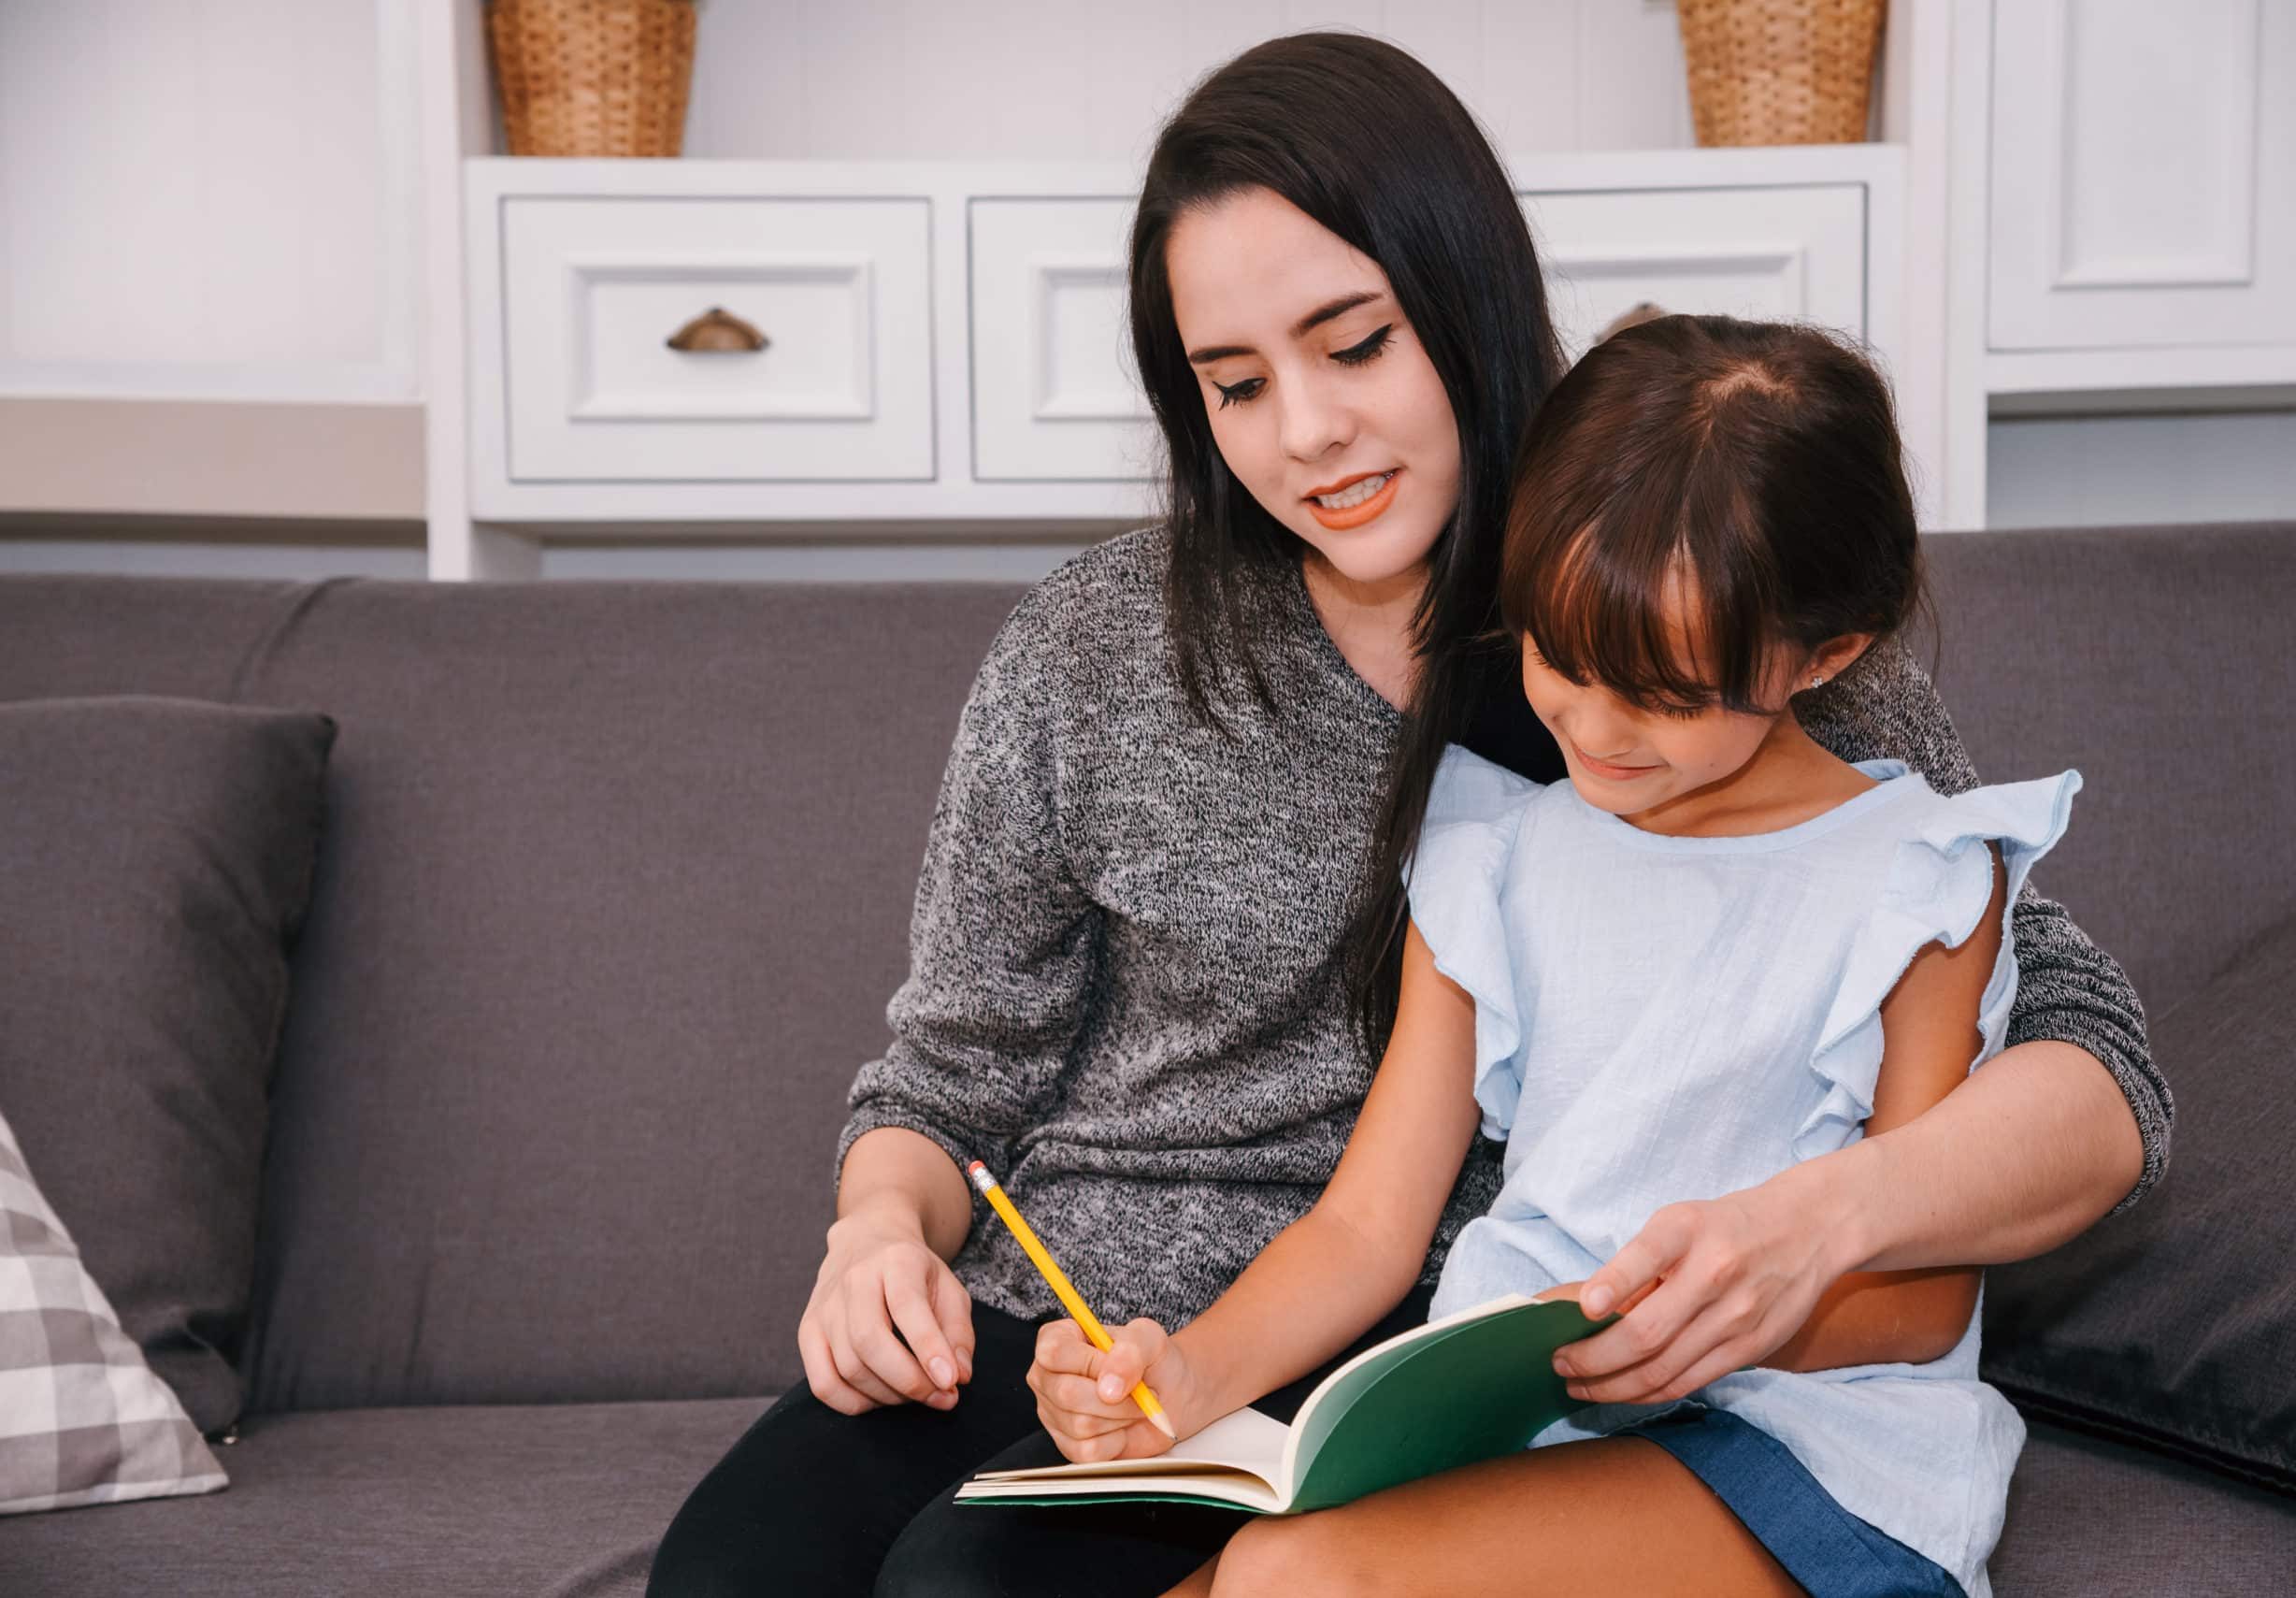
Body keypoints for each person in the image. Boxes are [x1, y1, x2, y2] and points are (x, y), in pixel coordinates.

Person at [646, 35, 2168, 1598]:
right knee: (725, 1583)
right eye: (1235, 383)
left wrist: (1817, 1228)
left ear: (1462, 301)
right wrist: (875, 1233)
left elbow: (2083, 1062)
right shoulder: (1088, 653)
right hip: (1088, 1332)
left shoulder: (1715, 605)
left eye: (1354, 344)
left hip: (1412, 1368)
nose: (1304, 433)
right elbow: (948, 1080)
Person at [955, 311, 2055, 1598]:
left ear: (1829, 653)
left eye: (1664, 692)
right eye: (1557, 653)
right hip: (1525, 1429)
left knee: (1295, 1581)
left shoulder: (1920, 875)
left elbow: (1922, 1302)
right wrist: (1185, 1375)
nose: (1592, 726)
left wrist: (1697, 1325)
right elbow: (1369, 1226)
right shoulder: (1495, 853)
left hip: (1806, 1447)